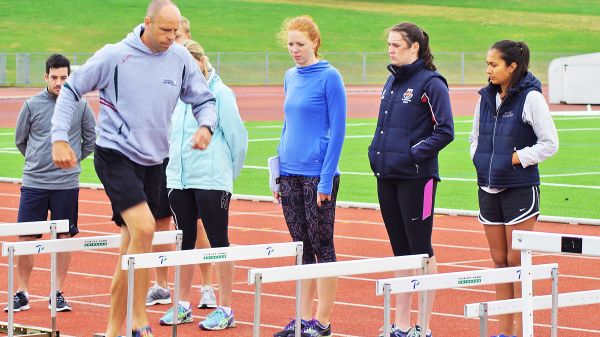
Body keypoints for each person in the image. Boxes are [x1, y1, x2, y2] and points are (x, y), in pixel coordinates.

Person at [50, 1, 217, 336]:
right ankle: (138, 321)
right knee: (144, 229)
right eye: (165, 30)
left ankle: (114, 329)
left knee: (131, 246)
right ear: (147, 23)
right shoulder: (114, 56)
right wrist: (59, 138)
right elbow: (70, 90)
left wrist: (206, 127)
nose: (172, 37)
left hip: (154, 162)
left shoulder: (180, 58)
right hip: (115, 154)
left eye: (176, 31)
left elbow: (204, 99)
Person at [369, 22, 454, 337]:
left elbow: (445, 130)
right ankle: (400, 324)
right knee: (401, 250)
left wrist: (412, 155)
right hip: (387, 175)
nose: (390, 50)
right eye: (388, 44)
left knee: (421, 249)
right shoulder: (391, 82)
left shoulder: (432, 83)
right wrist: (376, 154)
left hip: (419, 180)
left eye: (396, 45)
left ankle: (424, 325)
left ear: (414, 47)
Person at [469, 40, 558, 337]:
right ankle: (504, 331)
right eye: (487, 63)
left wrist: (513, 160)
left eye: (493, 64)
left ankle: (523, 331)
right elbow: (474, 139)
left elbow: (549, 144)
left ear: (512, 67)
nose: (488, 70)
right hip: (488, 189)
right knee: (499, 261)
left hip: (519, 188)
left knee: (516, 260)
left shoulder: (531, 98)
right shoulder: (484, 98)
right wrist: (480, 161)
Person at [157, 39, 247, 330]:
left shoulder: (220, 93)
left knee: (219, 241)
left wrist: (225, 176)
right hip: (180, 180)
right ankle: (182, 304)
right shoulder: (174, 96)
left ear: (201, 60)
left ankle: (226, 308)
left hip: (212, 180)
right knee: (184, 242)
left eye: (190, 63)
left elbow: (237, 137)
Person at [272, 15, 346, 337]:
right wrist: (277, 173)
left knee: (322, 246)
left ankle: (323, 322)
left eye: (300, 44)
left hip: (317, 175)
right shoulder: (290, 76)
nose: (294, 50)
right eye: (290, 44)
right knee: (300, 247)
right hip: (289, 172)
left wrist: (327, 179)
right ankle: (302, 319)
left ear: (315, 42)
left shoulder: (330, 77)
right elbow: (287, 124)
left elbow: (339, 130)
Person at [4, 54, 95, 314]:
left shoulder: (80, 105)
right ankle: (22, 292)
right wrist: (37, 162)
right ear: (46, 77)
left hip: (66, 185)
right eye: (54, 77)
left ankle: (57, 293)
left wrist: (72, 160)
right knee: (26, 237)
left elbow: (90, 139)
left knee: (64, 237)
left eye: (64, 78)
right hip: (35, 183)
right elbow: (21, 140)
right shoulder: (31, 105)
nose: (58, 82)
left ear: (70, 78)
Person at [145, 15, 217, 311]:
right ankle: (162, 285)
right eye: (170, 36)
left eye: (180, 36)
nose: (174, 42)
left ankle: (207, 287)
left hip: (190, 160)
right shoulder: (154, 69)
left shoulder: (199, 75)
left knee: (198, 225)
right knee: (159, 221)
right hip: (160, 157)